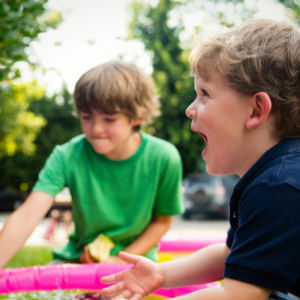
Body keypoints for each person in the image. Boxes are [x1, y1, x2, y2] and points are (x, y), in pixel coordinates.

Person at [100, 19, 300, 300]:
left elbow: (238, 295)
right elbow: (231, 255)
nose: (189, 109)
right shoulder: (273, 178)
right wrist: (161, 274)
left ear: (256, 110)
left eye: (204, 94)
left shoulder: (278, 188)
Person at [0, 60, 184, 267]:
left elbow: (161, 222)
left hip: (135, 264)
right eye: (87, 117)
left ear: (137, 117)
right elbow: (26, 217)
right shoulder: (67, 155)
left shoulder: (164, 157)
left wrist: (118, 260)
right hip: (76, 262)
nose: (95, 129)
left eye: (109, 119)